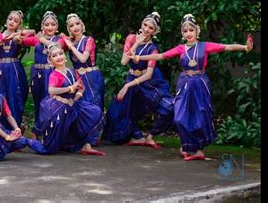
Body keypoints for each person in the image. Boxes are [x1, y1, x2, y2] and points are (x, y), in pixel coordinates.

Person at [129, 14, 254, 161]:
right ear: (182, 33)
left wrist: (245, 47)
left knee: (199, 116)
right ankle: (187, 145)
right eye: (185, 31)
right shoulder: (181, 48)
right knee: (180, 116)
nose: (188, 33)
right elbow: (161, 56)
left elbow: (226, 47)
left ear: (197, 31)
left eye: (191, 30)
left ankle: (198, 151)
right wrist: (139, 58)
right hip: (185, 83)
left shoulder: (204, 46)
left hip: (200, 83)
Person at [102, 12, 174, 149]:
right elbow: (124, 62)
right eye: (145, 25)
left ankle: (151, 136)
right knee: (119, 109)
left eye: (151, 28)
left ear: (155, 31)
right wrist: (137, 43)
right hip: (132, 76)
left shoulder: (153, 49)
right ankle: (139, 137)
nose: (146, 29)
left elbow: (148, 74)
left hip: (148, 82)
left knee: (168, 108)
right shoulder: (131, 38)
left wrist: (127, 85)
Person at [27, 44, 106, 156]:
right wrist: (70, 88)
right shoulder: (55, 75)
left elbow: (80, 88)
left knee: (94, 112)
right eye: (54, 56)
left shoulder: (72, 71)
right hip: (58, 108)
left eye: (60, 54)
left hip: (72, 105)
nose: (59, 57)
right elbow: (51, 91)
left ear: (65, 56)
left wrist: (77, 96)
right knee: (49, 149)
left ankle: (85, 146)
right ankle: (27, 141)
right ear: (50, 60)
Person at [61, 13, 105, 145]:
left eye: (77, 23)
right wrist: (66, 40)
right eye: (71, 25)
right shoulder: (70, 42)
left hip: (91, 77)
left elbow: (83, 59)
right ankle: (84, 138)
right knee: (81, 106)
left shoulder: (88, 40)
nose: (75, 27)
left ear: (82, 25)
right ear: (69, 29)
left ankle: (91, 140)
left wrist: (70, 45)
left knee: (93, 105)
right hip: (79, 78)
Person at [21, 11, 65, 139]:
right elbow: (20, 39)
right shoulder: (36, 39)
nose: (49, 27)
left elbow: (56, 47)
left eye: (53, 24)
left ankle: (49, 132)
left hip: (52, 74)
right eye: (46, 25)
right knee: (38, 102)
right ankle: (36, 132)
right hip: (37, 73)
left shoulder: (60, 39)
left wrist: (42, 39)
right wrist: (32, 31)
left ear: (57, 27)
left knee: (50, 102)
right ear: (42, 27)